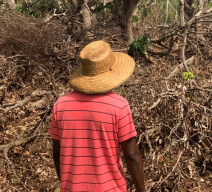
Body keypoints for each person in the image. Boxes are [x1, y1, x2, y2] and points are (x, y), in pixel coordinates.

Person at [49, 40, 145, 192]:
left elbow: (56, 154)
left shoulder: (60, 105)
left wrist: (67, 185)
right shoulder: (119, 106)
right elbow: (132, 155)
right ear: (112, 73)